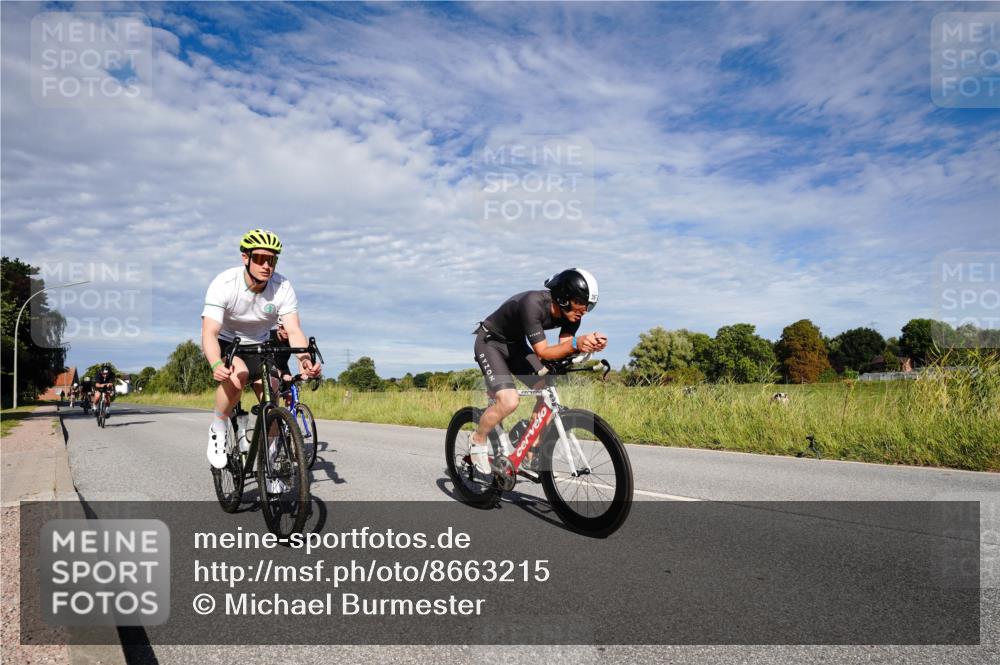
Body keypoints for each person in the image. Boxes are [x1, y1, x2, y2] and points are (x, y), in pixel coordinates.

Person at [201, 229, 322, 470]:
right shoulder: (224, 283)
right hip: (228, 342)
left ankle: (272, 462)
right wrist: (215, 362)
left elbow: (294, 330)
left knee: (273, 396)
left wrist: (305, 359)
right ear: (245, 257)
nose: (267, 265)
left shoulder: (282, 286)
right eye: (260, 258)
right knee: (238, 377)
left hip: (261, 344)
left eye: (272, 259)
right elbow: (209, 332)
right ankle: (219, 426)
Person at [468, 268, 608, 473]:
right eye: (581, 302)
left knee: (546, 390)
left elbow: (564, 348)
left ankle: (529, 453)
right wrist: (578, 343)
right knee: (509, 401)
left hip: (516, 346)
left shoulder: (573, 316)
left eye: (590, 306)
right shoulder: (533, 304)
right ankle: (477, 439)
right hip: (490, 343)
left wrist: (587, 347)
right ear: (564, 297)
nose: (584, 310)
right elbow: (543, 352)